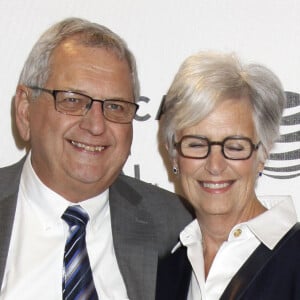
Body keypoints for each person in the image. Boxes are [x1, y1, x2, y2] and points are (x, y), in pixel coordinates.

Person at [0, 17, 193, 300]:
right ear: (26, 111)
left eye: (115, 106)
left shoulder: (179, 228)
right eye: (73, 101)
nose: (96, 125)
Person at [157, 51, 300, 299]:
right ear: (174, 154)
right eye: (196, 144)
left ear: (262, 154)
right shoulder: (167, 272)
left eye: (234, 146)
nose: (215, 165)